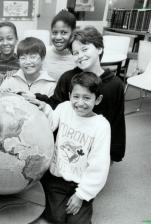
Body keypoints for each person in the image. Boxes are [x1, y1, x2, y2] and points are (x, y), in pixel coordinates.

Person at [35, 26, 126, 163]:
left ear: (99, 49)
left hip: (96, 148)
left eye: (85, 49)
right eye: (76, 53)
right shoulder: (67, 78)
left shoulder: (115, 84)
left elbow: (117, 120)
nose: (80, 56)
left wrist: (113, 154)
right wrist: (37, 98)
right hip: (70, 144)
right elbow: (56, 105)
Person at [29, 72, 110, 223]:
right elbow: (51, 123)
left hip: (80, 182)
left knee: (77, 221)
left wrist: (82, 195)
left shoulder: (101, 126)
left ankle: (83, 199)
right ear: (69, 95)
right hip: (57, 178)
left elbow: (99, 165)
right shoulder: (64, 108)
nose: (80, 102)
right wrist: (45, 108)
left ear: (97, 100)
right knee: (55, 217)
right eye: (76, 96)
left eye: (87, 98)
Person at [44, 10, 77, 81]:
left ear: (73, 33)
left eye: (64, 32)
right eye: (54, 32)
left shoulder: (78, 57)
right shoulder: (44, 53)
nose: (58, 37)